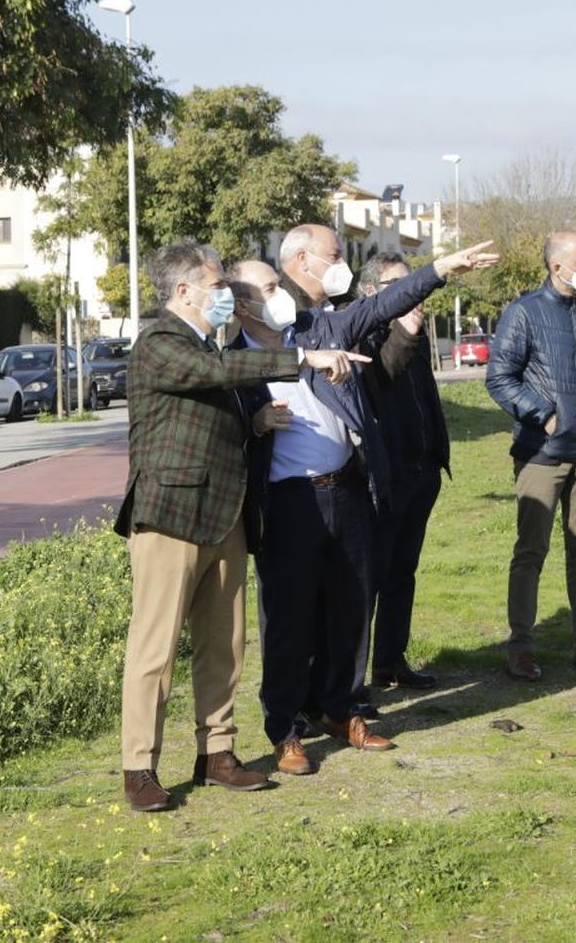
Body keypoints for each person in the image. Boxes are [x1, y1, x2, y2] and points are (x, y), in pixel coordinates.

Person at [229, 228, 497, 776]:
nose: (280, 294)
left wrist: (440, 270)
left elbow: (381, 306)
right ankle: (286, 728)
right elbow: (223, 431)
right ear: (242, 307)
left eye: (278, 283)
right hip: (289, 503)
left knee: (351, 608)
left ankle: (342, 708)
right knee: (288, 621)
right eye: (267, 289)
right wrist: (255, 424)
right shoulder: (234, 362)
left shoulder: (319, 326)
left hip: (347, 489)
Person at [115, 242, 365, 812]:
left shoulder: (209, 345)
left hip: (226, 514)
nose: (226, 295)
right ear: (184, 291)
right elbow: (212, 374)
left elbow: (210, 410)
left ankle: (217, 752)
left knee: (223, 645)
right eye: (217, 286)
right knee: (155, 649)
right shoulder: (161, 342)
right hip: (171, 516)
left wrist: (254, 422)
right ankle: (140, 766)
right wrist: (303, 358)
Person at [485, 229, 576, 682]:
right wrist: (544, 415)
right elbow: (499, 377)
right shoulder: (524, 312)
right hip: (542, 455)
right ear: (557, 266)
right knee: (531, 552)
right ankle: (520, 647)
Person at [355, 252, 449, 692]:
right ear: (371, 291)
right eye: (398, 285)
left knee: (403, 572)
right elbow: (379, 380)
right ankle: (351, 681)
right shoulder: (363, 333)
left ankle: (391, 661)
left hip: (421, 470)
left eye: (412, 283)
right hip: (386, 477)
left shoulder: (417, 334)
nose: (412, 293)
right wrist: (404, 333)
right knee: (371, 578)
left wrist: (436, 455)